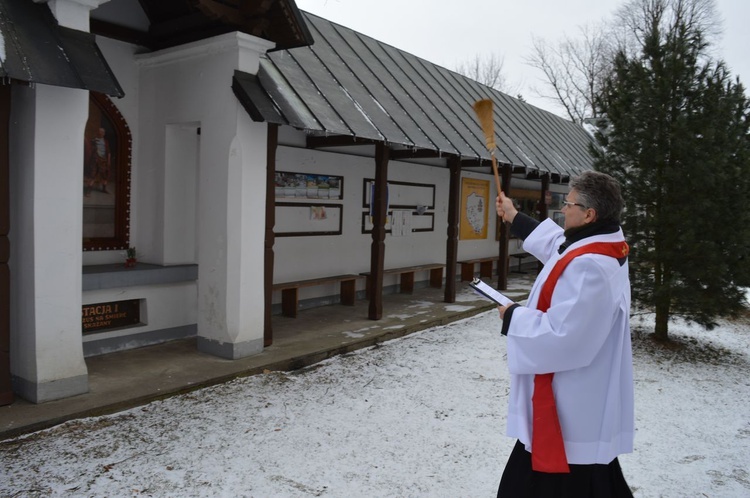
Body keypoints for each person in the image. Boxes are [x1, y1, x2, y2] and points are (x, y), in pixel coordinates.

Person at [494, 171, 634, 497]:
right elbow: (557, 245)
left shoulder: (591, 266)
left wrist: (513, 316)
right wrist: (514, 216)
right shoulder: (598, 242)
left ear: (589, 214)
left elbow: (564, 336)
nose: (562, 209)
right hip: (578, 398)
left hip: (571, 400)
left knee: (561, 478)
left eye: (567, 204)